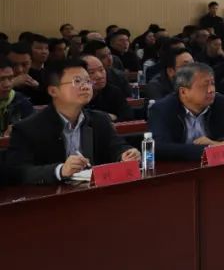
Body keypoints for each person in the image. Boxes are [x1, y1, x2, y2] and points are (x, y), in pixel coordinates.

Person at [6, 58, 140, 185]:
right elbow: (17, 171)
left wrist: (126, 153)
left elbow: (116, 147)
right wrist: (60, 170)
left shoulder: (99, 120)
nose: (85, 86)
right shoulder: (28, 128)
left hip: (93, 193)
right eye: (77, 81)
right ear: (53, 91)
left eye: (88, 81)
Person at [148, 63, 224, 161]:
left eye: (212, 84)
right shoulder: (162, 109)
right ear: (183, 92)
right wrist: (208, 148)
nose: (211, 90)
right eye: (204, 85)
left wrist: (216, 143)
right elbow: (158, 147)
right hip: (180, 167)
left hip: (215, 164)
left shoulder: (220, 102)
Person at [84, 53, 133, 122]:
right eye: (91, 72)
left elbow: (128, 118)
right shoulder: (75, 97)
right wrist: (105, 117)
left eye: (101, 70)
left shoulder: (114, 92)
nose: (99, 76)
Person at [0, 57, 36, 137]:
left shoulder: (19, 100)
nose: (7, 84)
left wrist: (22, 128)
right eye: (1, 80)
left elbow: (38, 126)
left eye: (10, 78)